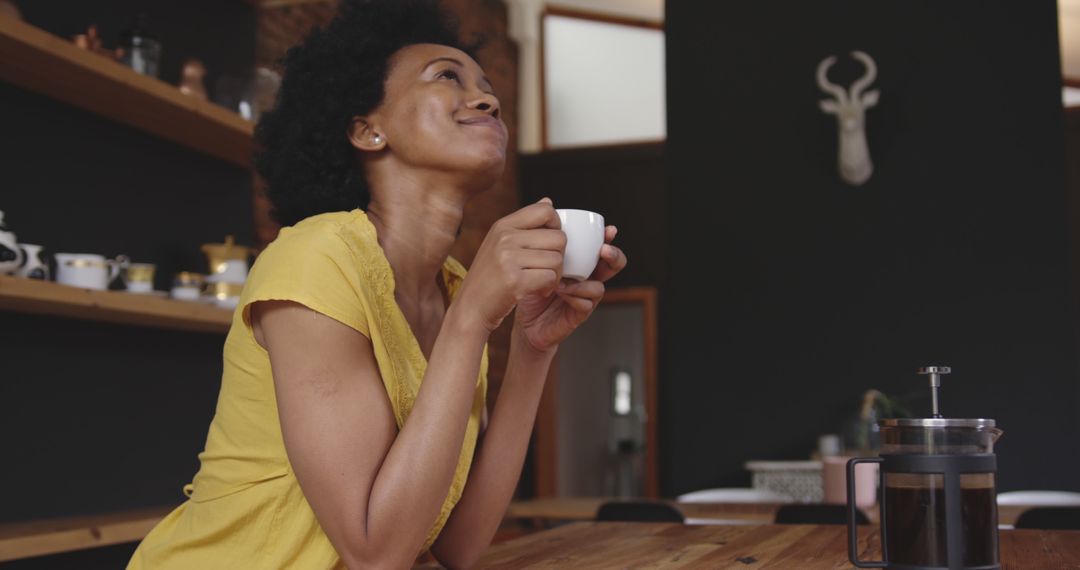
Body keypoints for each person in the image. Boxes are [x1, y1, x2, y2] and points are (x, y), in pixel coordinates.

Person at [128, 0, 626, 568]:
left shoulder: (456, 290)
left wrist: (535, 348)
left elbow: (457, 545)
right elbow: (375, 552)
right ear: (368, 131)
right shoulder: (315, 257)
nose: (489, 100)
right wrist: (472, 321)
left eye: (489, 88)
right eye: (446, 76)